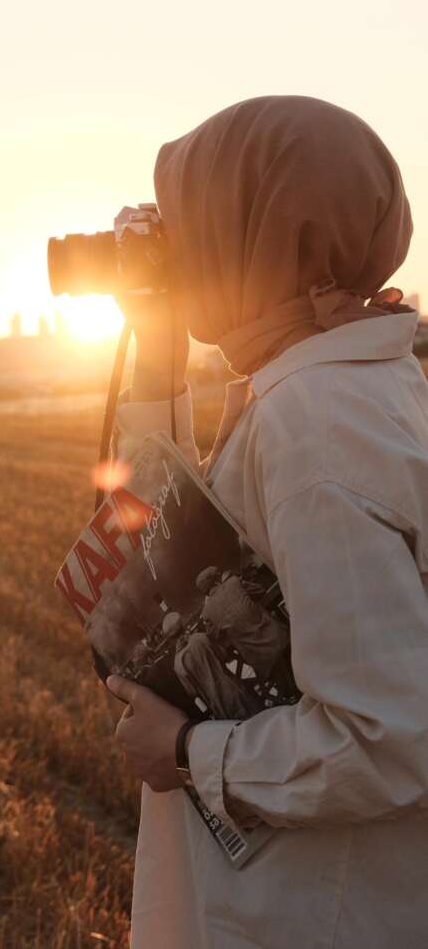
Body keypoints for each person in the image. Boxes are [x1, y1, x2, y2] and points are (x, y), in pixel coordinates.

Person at [106, 95, 428, 948]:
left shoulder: (313, 423)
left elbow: (387, 738)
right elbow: (169, 521)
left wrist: (184, 753)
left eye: (192, 220)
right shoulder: (348, 378)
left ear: (249, 229)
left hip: (316, 907)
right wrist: (157, 344)